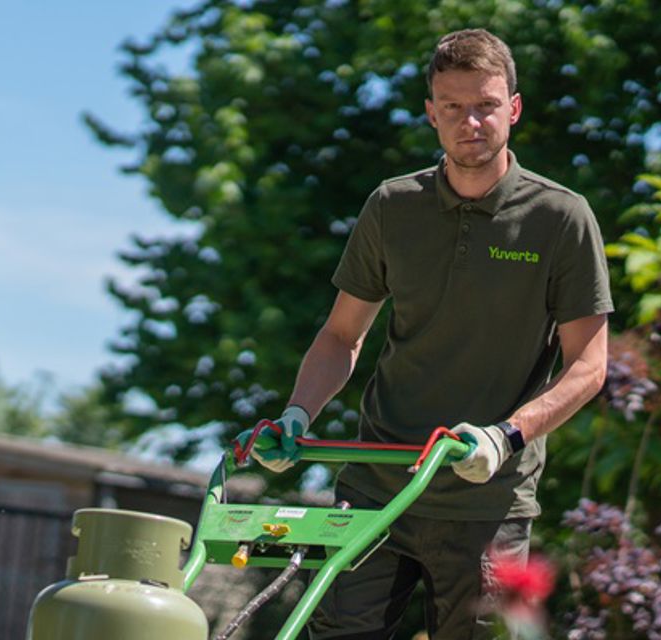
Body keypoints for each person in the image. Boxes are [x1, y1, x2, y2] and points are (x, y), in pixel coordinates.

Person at [239, 28, 613, 639]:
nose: (472, 121)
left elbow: (589, 366)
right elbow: (341, 337)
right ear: (431, 114)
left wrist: (505, 436)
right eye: (453, 107)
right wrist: (297, 416)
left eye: (486, 105)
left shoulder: (560, 218)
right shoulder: (392, 207)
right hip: (377, 485)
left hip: (486, 496)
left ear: (513, 109)